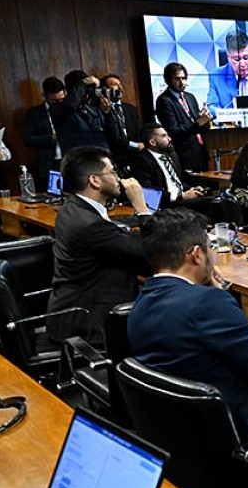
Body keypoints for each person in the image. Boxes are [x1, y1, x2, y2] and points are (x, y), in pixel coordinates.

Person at [129, 208, 248, 445]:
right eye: (210, 247)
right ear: (196, 255)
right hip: (246, 430)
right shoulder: (207, 304)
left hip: (182, 431)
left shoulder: (140, 304)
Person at [47, 146, 152, 346]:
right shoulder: (89, 225)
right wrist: (141, 207)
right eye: (113, 172)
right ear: (95, 180)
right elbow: (150, 252)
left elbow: (113, 244)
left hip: (76, 305)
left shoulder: (71, 207)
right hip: (90, 322)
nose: (118, 178)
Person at [128, 123, 208, 209]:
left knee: (213, 199)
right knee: (210, 203)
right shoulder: (141, 160)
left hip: (182, 199)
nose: (169, 138)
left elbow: (178, 183)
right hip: (166, 205)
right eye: (164, 136)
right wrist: (182, 196)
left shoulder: (171, 155)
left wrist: (192, 189)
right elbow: (149, 193)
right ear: (152, 142)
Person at [155, 62, 212, 173]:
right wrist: (198, 124)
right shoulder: (163, 100)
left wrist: (205, 121)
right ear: (168, 80)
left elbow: (197, 123)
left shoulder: (190, 97)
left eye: (184, 78)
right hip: (184, 154)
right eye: (177, 79)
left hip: (201, 151)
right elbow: (174, 130)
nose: (182, 82)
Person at [51, 70, 111, 154]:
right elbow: (70, 105)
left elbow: (106, 133)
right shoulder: (59, 108)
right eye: (83, 89)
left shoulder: (92, 108)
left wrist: (107, 113)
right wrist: (83, 83)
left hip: (99, 155)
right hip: (78, 158)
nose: (86, 93)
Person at [23, 76, 66, 192]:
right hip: (50, 164)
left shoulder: (68, 109)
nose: (58, 103)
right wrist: (50, 138)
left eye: (61, 99)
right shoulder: (34, 114)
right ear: (44, 95)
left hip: (68, 161)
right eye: (54, 101)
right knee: (54, 196)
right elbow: (28, 139)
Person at [100, 73, 144, 172]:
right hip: (113, 158)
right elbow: (110, 137)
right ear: (105, 90)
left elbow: (138, 132)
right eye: (114, 85)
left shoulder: (131, 109)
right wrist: (134, 145)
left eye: (120, 84)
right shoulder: (100, 110)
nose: (120, 88)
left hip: (135, 157)